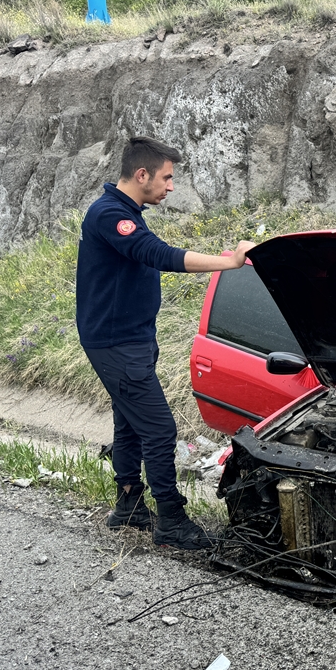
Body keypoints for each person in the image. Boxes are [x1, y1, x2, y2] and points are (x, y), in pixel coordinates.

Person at [76, 136, 255, 550]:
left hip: (128, 339)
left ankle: (128, 507)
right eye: (166, 177)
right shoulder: (110, 215)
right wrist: (229, 262)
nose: (171, 186)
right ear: (142, 175)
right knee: (159, 430)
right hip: (116, 343)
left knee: (131, 424)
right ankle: (171, 521)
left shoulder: (123, 211)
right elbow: (159, 255)